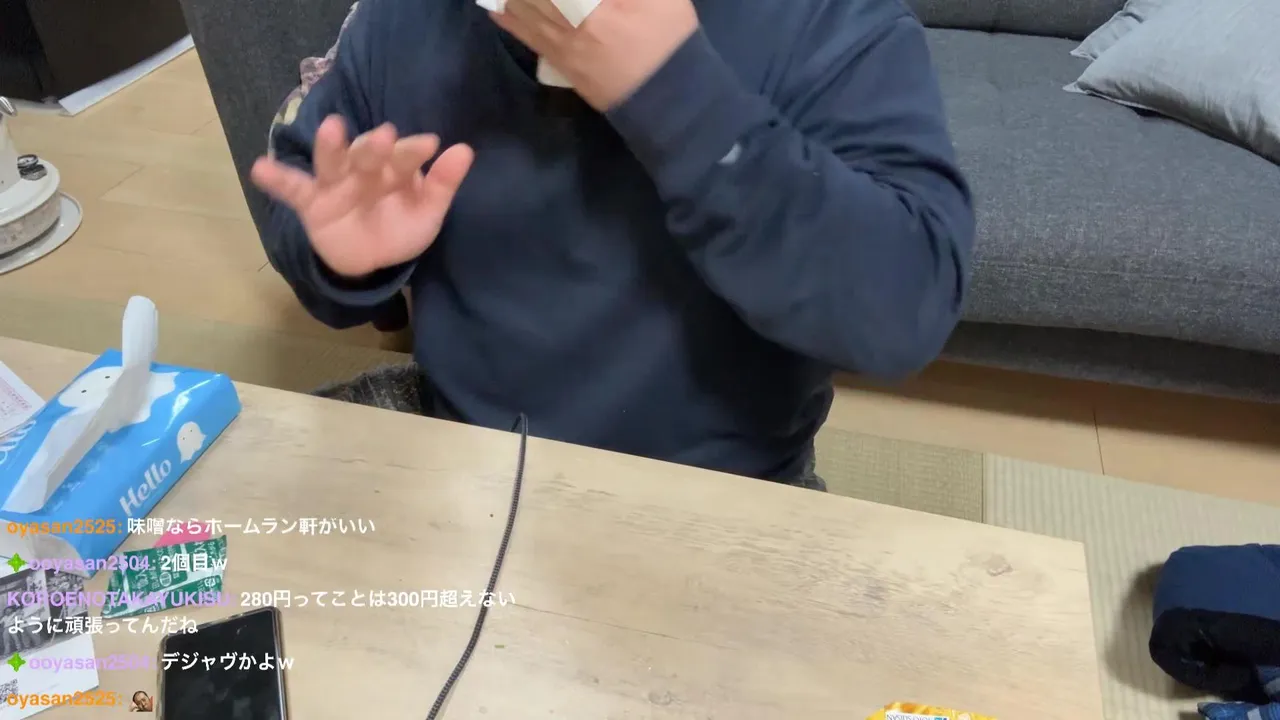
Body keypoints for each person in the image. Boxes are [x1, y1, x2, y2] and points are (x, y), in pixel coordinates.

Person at [250, 0, 975, 489]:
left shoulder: (826, 23)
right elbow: (306, 183)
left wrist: (676, 95)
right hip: (466, 448)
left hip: (728, 488)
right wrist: (342, 256)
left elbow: (905, 307)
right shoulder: (402, 20)